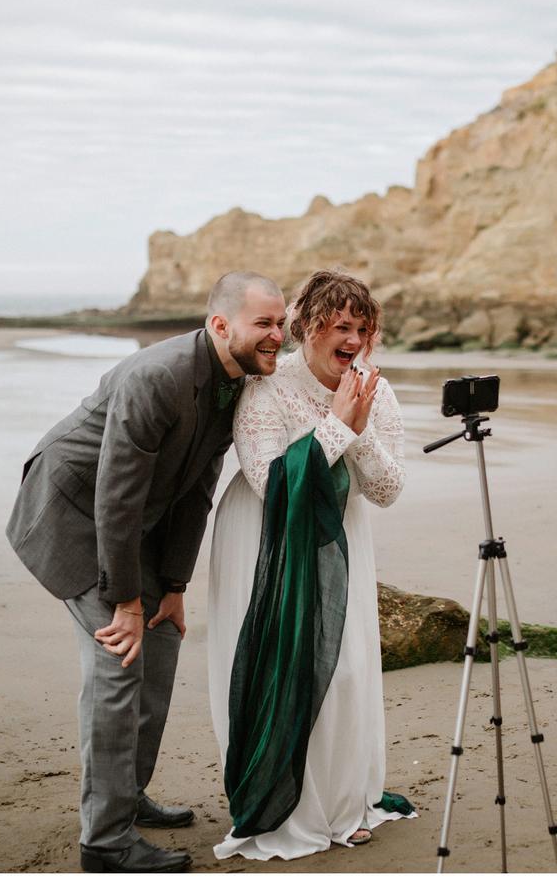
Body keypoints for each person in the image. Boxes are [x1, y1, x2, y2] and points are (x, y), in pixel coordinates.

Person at [6, 272, 287, 873]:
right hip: (74, 513)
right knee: (119, 664)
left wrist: (175, 588)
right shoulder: (154, 376)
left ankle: (127, 798)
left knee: (159, 650)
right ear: (220, 325)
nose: (277, 335)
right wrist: (127, 600)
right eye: (264, 323)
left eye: (280, 323)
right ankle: (105, 842)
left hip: (141, 523)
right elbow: (116, 494)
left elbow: (197, 491)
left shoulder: (235, 381)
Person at [206, 269, 415, 861]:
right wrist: (334, 425)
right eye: (339, 326)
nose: (352, 338)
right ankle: (280, 801)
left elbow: (387, 489)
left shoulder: (378, 389)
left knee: (345, 669)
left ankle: (345, 804)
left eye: (362, 328)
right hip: (264, 538)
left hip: (339, 535)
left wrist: (358, 426)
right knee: (276, 663)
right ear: (307, 328)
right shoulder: (268, 385)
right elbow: (268, 482)